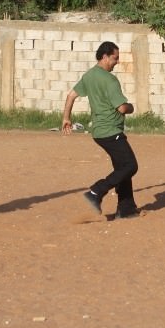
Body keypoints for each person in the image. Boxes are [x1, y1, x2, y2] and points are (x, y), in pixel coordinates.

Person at [62, 41, 139, 219]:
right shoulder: (109, 80)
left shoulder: (89, 75)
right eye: (115, 58)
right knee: (130, 166)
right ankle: (96, 192)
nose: (117, 62)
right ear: (104, 57)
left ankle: (126, 209)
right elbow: (121, 108)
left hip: (99, 133)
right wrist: (131, 107)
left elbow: (71, 95)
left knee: (122, 168)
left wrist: (66, 118)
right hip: (111, 132)